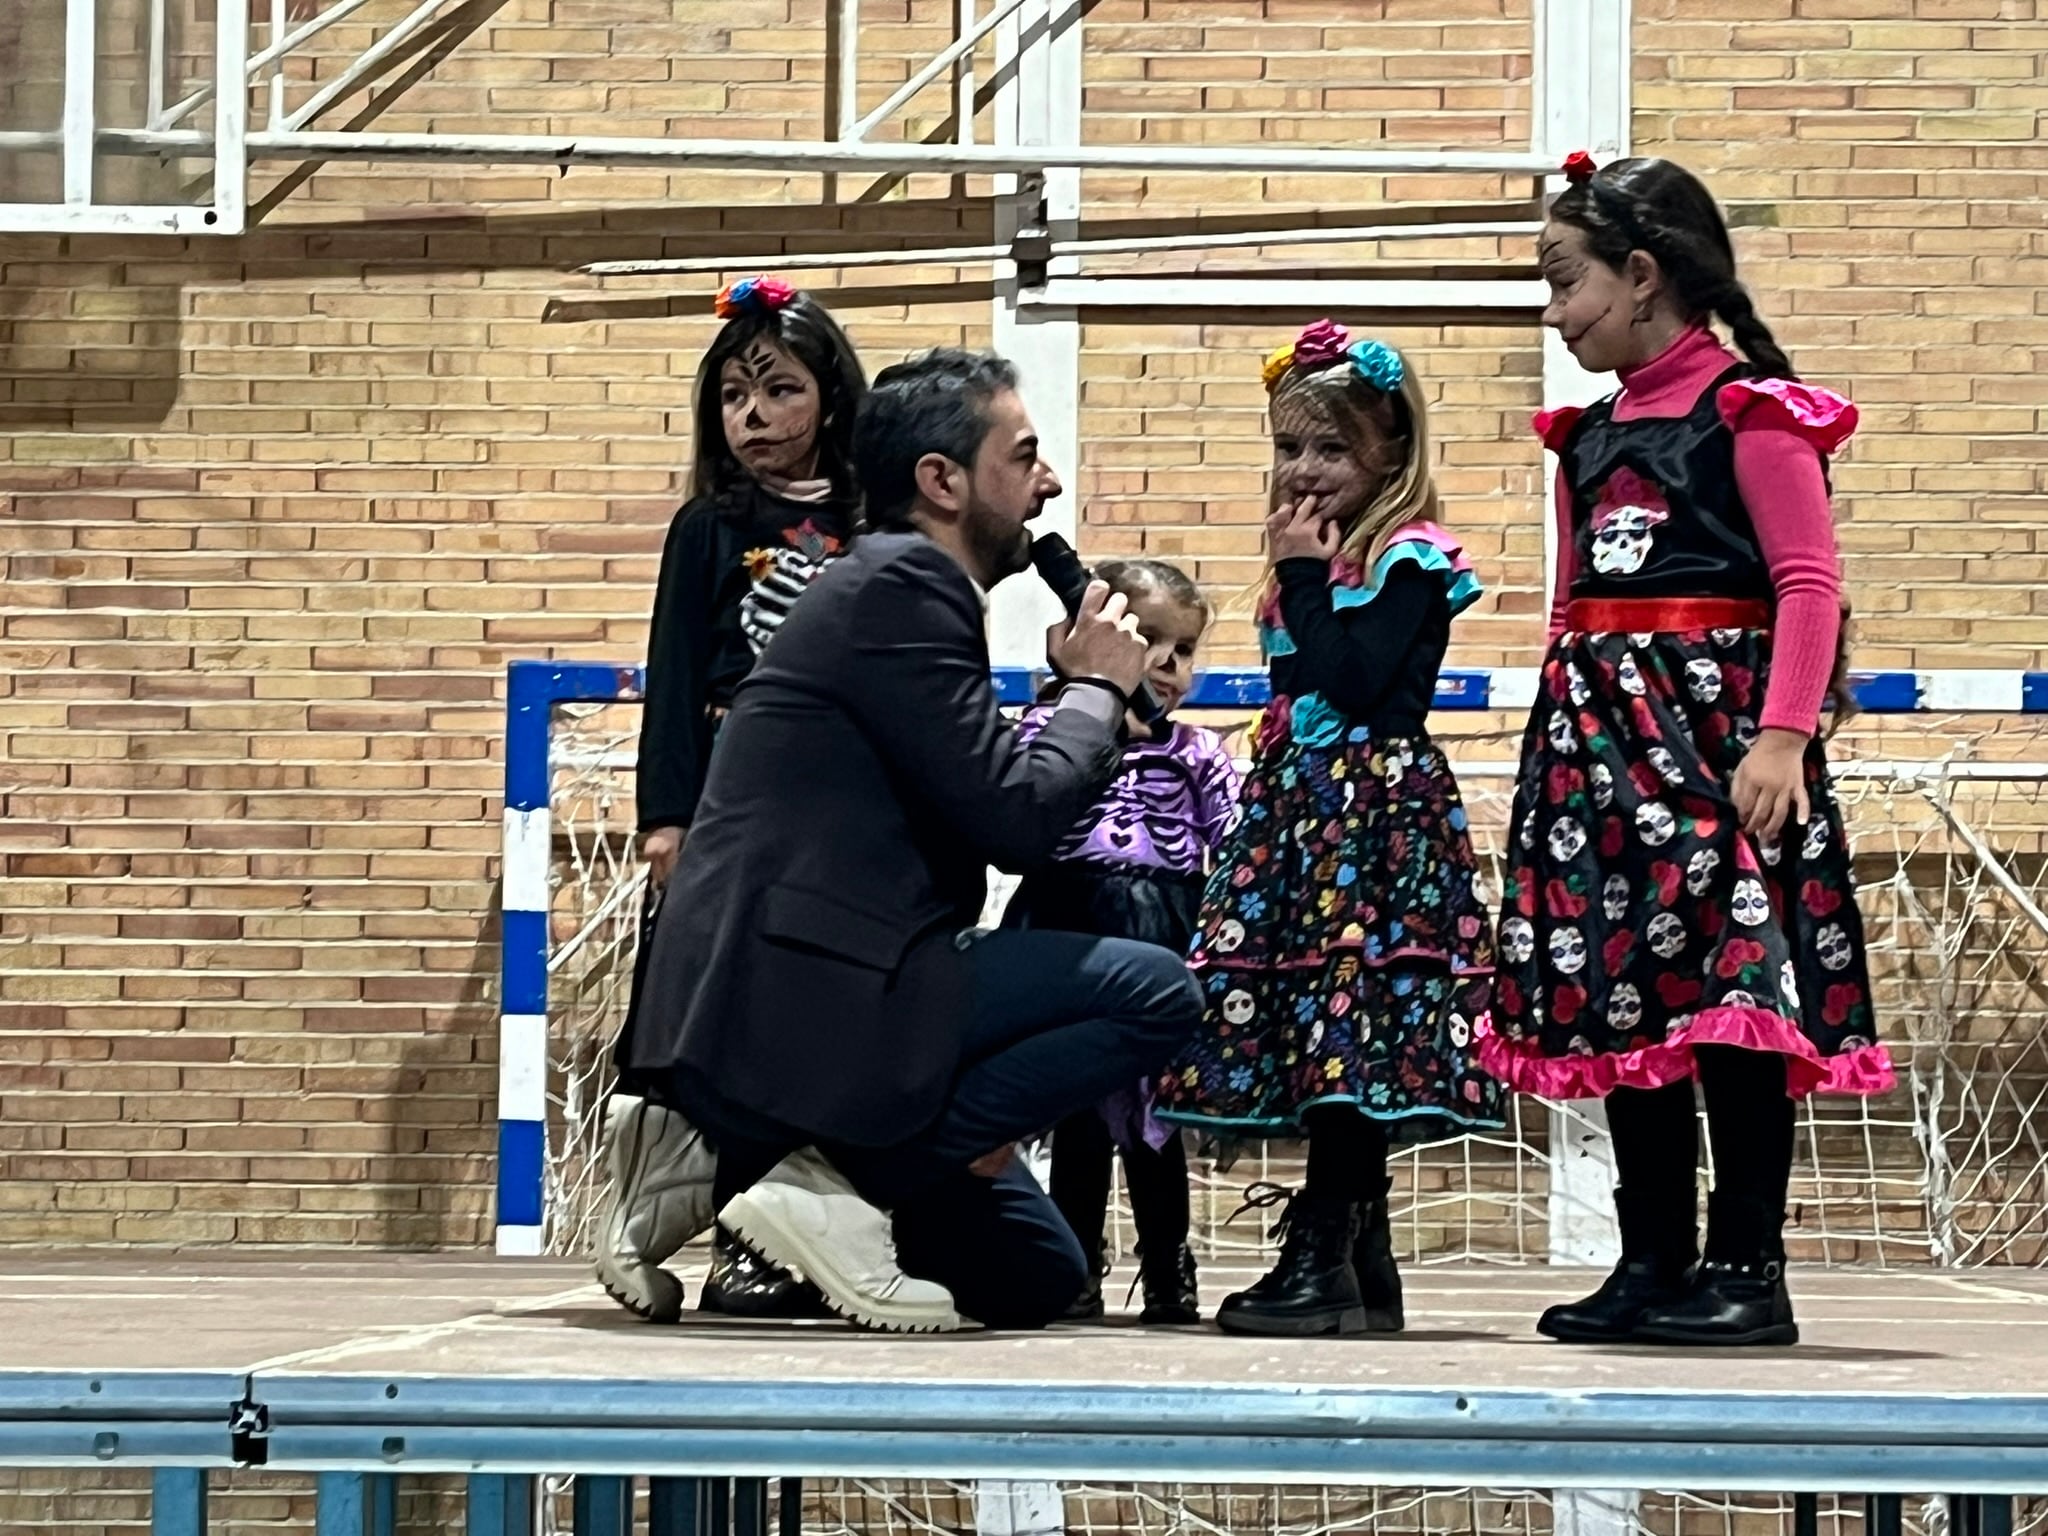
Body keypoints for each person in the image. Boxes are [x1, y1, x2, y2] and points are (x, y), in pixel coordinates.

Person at [619, 347, 1206, 1333]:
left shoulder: (897, 589)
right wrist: (1098, 690)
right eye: (1022, 458)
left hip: (844, 978)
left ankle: (748, 1168)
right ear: (941, 481)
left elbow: (983, 797)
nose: (1047, 483)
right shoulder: (904, 587)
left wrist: (1083, 701)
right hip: (806, 992)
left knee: (1032, 1275)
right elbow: (1016, 823)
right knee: (1157, 991)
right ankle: (828, 1178)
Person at [1481, 152, 1895, 1348]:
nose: (1554, 316)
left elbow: (1806, 585)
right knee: (1625, 996)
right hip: (1595, 750)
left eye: (1565, 285)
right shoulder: (1588, 437)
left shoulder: (1750, 414)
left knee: (1728, 1000)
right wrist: (1558, 749)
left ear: (1643, 274)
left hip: (1718, 749)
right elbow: (1572, 607)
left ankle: (1746, 1268)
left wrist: (1781, 739)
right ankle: (1651, 1255)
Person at [1155, 322, 1503, 1337]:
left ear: (1389, 453)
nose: (1305, 471)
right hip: (1298, 812)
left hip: (1372, 817)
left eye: (1331, 450)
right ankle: (1362, 1257)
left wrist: (1307, 579)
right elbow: (1294, 691)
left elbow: (1356, 683)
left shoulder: (1407, 560)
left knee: (1350, 1028)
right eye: (1288, 449)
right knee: (1307, 1023)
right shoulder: (1306, 561)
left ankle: (1322, 1252)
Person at [595, 276, 865, 1325]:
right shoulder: (705, 528)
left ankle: (801, 1233)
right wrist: (666, 817)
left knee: (817, 1022)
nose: (753, 418)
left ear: (831, 401)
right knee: (726, 1025)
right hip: (729, 800)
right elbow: (669, 680)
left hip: (840, 815)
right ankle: (708, 1233)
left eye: (780, 392)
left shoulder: (870, 522)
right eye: (734, 397)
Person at [1001, 559, 1241, 1325]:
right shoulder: (1050, 730)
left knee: (1153, 1116)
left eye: (1186, 651)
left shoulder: (1197, 753)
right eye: (1153, 646)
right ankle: (1074, 1261)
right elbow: (1020, 813)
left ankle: (1169, 1263)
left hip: (1163, 932)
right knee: (1075, 1107)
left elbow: (1234, 845)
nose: (1170, 668)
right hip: (1069, 931)